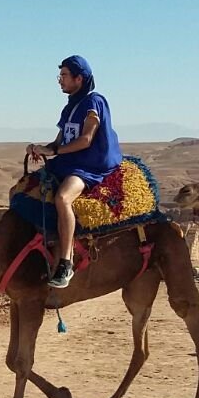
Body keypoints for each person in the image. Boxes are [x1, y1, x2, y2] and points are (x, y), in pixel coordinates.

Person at [26, 55, 123, 288]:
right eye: (59, 76)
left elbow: (86, 140)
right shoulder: (70, 106)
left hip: (88, 166)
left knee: (62, 198)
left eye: (64, 76)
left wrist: (56, 150)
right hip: (69, 162)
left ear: (79, 78)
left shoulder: (94, 102)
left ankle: (65, 262)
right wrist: (41, 149)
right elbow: (59, 142)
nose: (60, 81)